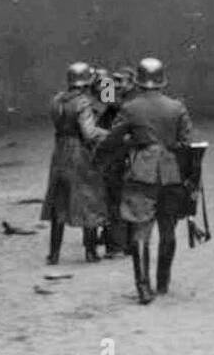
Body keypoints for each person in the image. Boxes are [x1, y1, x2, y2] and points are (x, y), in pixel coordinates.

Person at [96, 58, 194, 304]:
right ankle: (163, 282)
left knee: (141, 229)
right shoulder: (177, 107)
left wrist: (102, 157)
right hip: (171, 173)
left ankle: (143, 288)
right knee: (168, 229)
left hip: (142, 172)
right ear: (162, 80)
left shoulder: (130, 108)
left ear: (138, 81)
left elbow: (113, 138)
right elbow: (187, 143)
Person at [41, 62, 108, 264]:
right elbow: (89, 133)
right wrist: (109, 134)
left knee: (58, 201)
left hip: (60, 150)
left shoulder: (57, 100)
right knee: (89, 196)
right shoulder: (83, 102)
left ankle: (54, 254)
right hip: (79, 151)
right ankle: (90, 251)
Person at [94, 65, 135, 259]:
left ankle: (119, 245)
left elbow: (111, 102)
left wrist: (105, 83)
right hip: (122, 154)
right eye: (115, 80)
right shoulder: (120, 98)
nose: (116, 84)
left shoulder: (128, 101)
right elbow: (106, 100)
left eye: (121, 81)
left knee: (117, 200)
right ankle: (123, 243)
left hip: (122, 153)